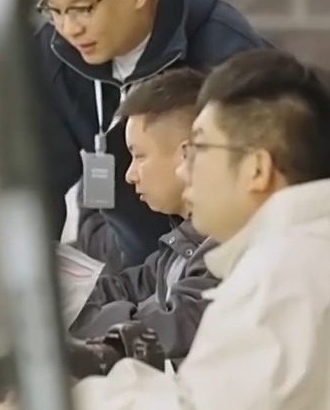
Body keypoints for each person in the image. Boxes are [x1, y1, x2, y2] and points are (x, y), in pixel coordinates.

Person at [0, 50, 330, 410]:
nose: (185, 169)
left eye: (198, 149)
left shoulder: (293, 275)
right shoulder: (307, 257)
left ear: (257, 169)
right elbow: (201, 403)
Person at [35, 0, 269, 268]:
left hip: (213, 263)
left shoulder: (226, 54)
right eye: (55, 10)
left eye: (82, 9)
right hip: (122, 256)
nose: (69, 28)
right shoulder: (57, 55)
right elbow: (36, 186)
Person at [69, 69, 218, 360]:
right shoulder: (179, 247)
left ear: (186, 155)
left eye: (139, 156)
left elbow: (168, 328)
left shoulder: (219, 250)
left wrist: (74, 316)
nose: (130, 175)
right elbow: (125, 287)